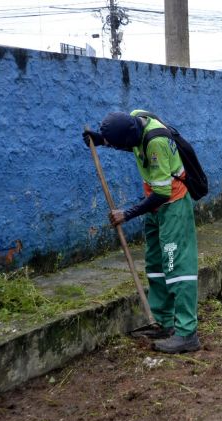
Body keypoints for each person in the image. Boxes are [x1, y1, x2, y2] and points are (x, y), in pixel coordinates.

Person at [83, 110, 201, 353]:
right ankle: (164, 322)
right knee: (156, 266)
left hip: (172, 207)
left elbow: (162, 193)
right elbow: (131, 144)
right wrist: (102, 140)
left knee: (176, 267)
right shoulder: (136, 118)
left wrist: (126, 214)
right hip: (156, 209)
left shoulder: (156, 142)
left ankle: (187, 333)